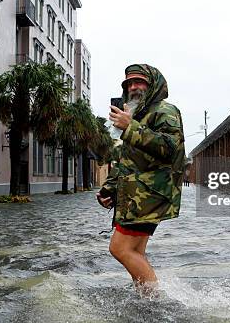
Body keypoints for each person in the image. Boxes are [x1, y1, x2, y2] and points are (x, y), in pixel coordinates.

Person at [96, 64, 185, 294]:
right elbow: (129, 161)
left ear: (152, 84)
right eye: (129, 83)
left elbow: (170, 148)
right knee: (134, 251)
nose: (134, 87)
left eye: (139, 82)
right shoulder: (137, 115)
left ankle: (156, 302)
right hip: (136, 196)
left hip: (150, 194)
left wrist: (130, 127)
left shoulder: (165, 111)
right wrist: (110, 190)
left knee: (120, 249)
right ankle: (145, 299)